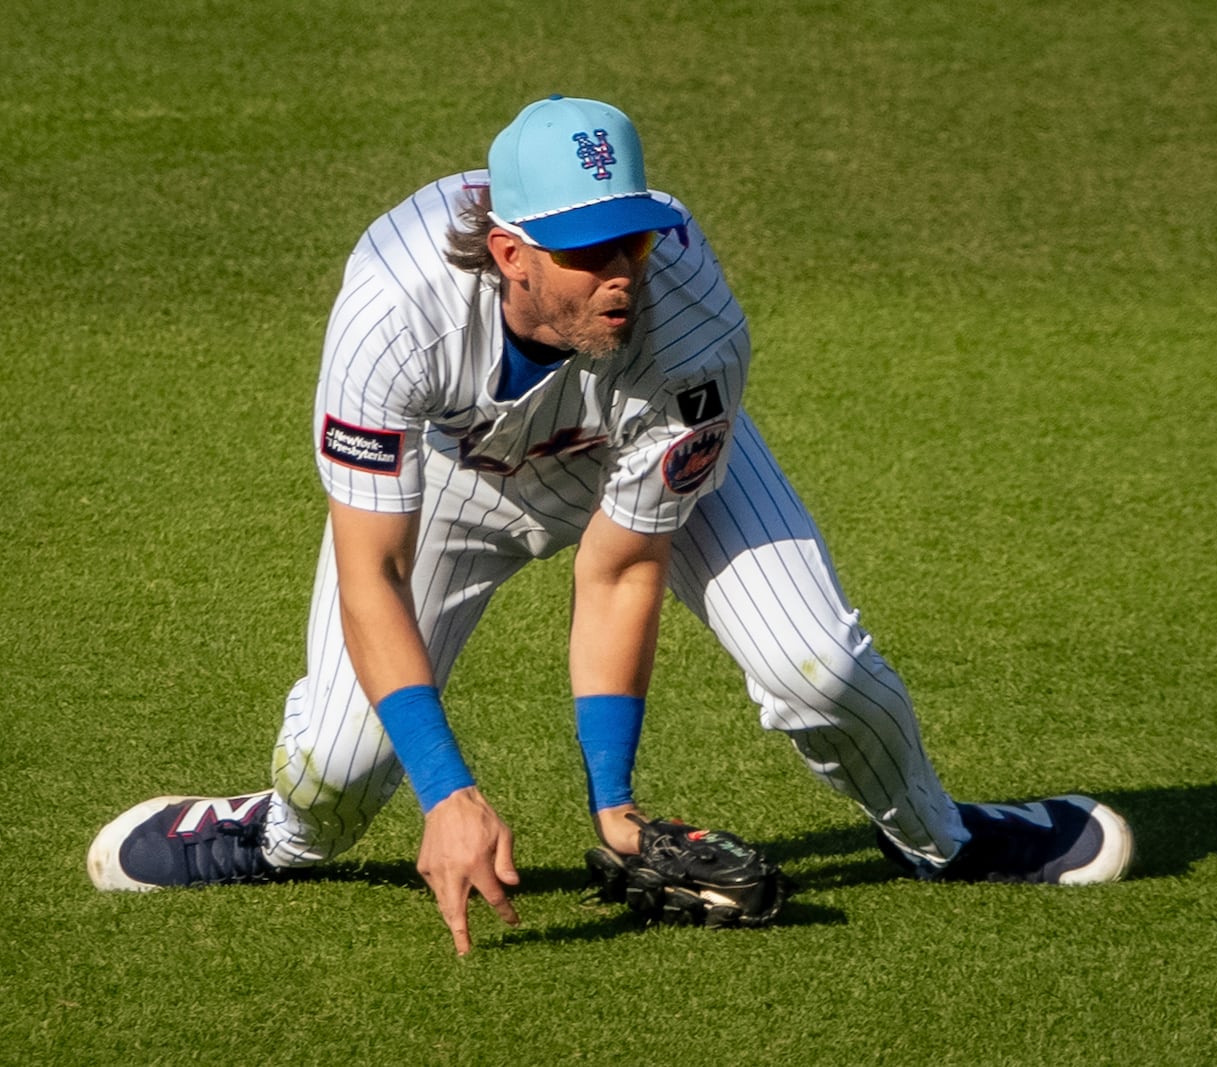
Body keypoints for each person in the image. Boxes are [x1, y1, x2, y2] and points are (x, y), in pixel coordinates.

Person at [87, 95, 1133, 954]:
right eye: (587, 251)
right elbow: (373, 569)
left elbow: (622, 567)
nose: (622, 270)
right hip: (455, 482)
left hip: (633, 457)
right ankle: (271, 836)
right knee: (339, 765)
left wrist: (614, 804)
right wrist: (447, 793)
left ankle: (941, 838)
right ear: (510, 252)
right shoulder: (392, 305)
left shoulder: (694, 321)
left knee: (818, 664)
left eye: (629, 236)